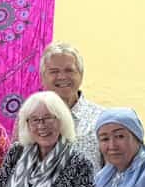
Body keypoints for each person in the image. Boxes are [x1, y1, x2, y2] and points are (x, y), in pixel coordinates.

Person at [40, 43, 103, 171]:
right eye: (54, 71)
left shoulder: (101, 118)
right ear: (43, 77)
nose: (62, 77)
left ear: (81, 75)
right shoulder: (29, 117)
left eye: (69, 70)